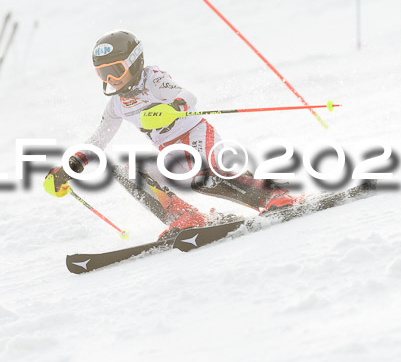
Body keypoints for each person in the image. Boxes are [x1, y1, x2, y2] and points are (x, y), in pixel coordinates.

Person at [44, 30, 301, 238]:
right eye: (103, 73)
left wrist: (172, 108)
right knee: (127, 171)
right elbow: (98, 141)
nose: (111, 79)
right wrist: (69, 167)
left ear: (134, 64)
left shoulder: (152, 79)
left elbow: (188, 96)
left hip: (197, 135)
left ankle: (272, 194)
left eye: (117, 70)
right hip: (172, 154)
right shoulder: (117, 105)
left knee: (198, 173)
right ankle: (185, 216)